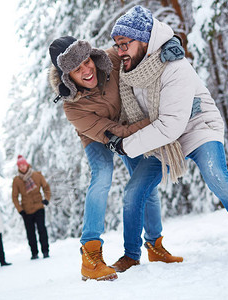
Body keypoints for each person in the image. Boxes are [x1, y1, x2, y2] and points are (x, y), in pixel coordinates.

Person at [105, 5, 228, 266]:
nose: (120, 51)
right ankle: (131, 254)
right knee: (133, 191)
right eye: (116, 45)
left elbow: (170, 124)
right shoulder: (128, 69)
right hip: (166, 139)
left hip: (198, 126)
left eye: (124, 44)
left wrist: (127, 145)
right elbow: (96, 64)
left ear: (144, 40)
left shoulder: (174, 65)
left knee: (217, 177)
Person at [48, 36, 184, 281]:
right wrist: (156, 120)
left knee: (143, 183)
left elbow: (139, 46)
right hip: (99, 134)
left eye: (86, 62)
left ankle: (155, 246)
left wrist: (170, 41)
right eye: (77, 70)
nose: (87, 70)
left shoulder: (109, 59)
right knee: (102, 176)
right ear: (68, 77)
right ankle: (91, 256)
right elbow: (113, 133)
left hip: (126, 123)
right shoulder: (72, 107)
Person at [12, 155, 51, 259]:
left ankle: (45, 251)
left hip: (39, 207)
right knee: (30, 233)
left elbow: (46, 187)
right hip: (26, 210)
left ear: (27, 164)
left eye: (23, 165)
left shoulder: (37, 175)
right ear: (18, 168)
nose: (22, 167)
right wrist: (20, 210)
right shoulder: (17, 180)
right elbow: (14, 196)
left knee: (42, 229)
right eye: (20, 166)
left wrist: (46, 199)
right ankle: (34, 253)